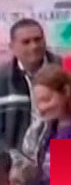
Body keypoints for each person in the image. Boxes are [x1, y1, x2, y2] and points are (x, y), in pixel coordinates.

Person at [0, 19, 51, 154]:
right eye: (26, 42)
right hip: (15, 165)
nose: (34, 46)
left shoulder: (67, 70)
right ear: (12, 47)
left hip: (66, 160)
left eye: (38, 40)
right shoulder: (2, 79)